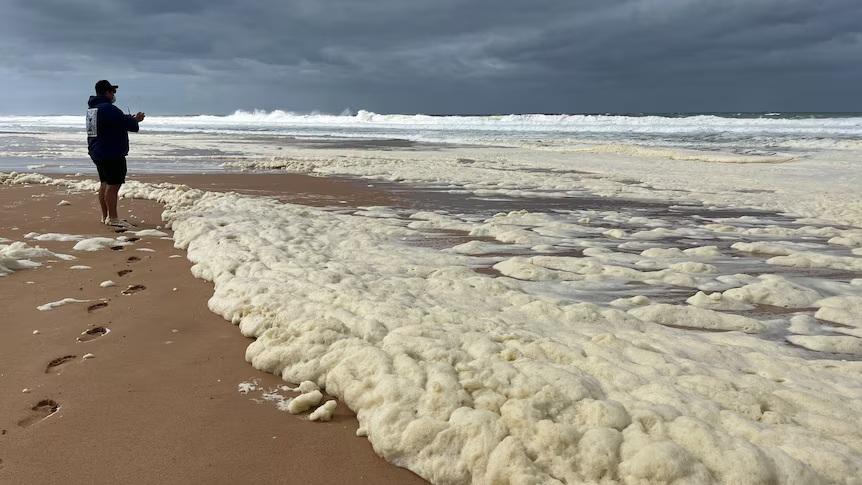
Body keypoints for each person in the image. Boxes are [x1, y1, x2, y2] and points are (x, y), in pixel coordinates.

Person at [86, 79, 145, 228]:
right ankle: (113, 218)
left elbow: (115, 122)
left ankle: (105, 216)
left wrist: (128, 119)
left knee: (104, 183)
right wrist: (136, 120)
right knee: (114, 185)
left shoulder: (93, 110)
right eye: (113, 91)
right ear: (107, 92)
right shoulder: (108, 108)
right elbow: (128, 125)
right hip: (111, 152)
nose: (114, 94)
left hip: (97, 151)